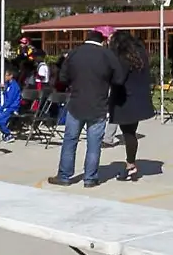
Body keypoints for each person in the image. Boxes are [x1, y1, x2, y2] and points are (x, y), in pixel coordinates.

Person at [49, 25, 125, 187]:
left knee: (70, 141)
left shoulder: (74, 53)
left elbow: (62, 77)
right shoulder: (108, 55)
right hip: (98, 104)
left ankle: (64, 176)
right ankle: (90, 178)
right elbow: (119, 79)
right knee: (94, 143)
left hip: (76, 103)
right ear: (102, 41)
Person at [108, 30, 155, 181]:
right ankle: (131, 164)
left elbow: (119, 79)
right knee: (131, 133)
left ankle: (131, 165)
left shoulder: (123, 57)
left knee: (128, 133)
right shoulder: (140, 53)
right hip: (139, 98)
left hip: (125, 99)